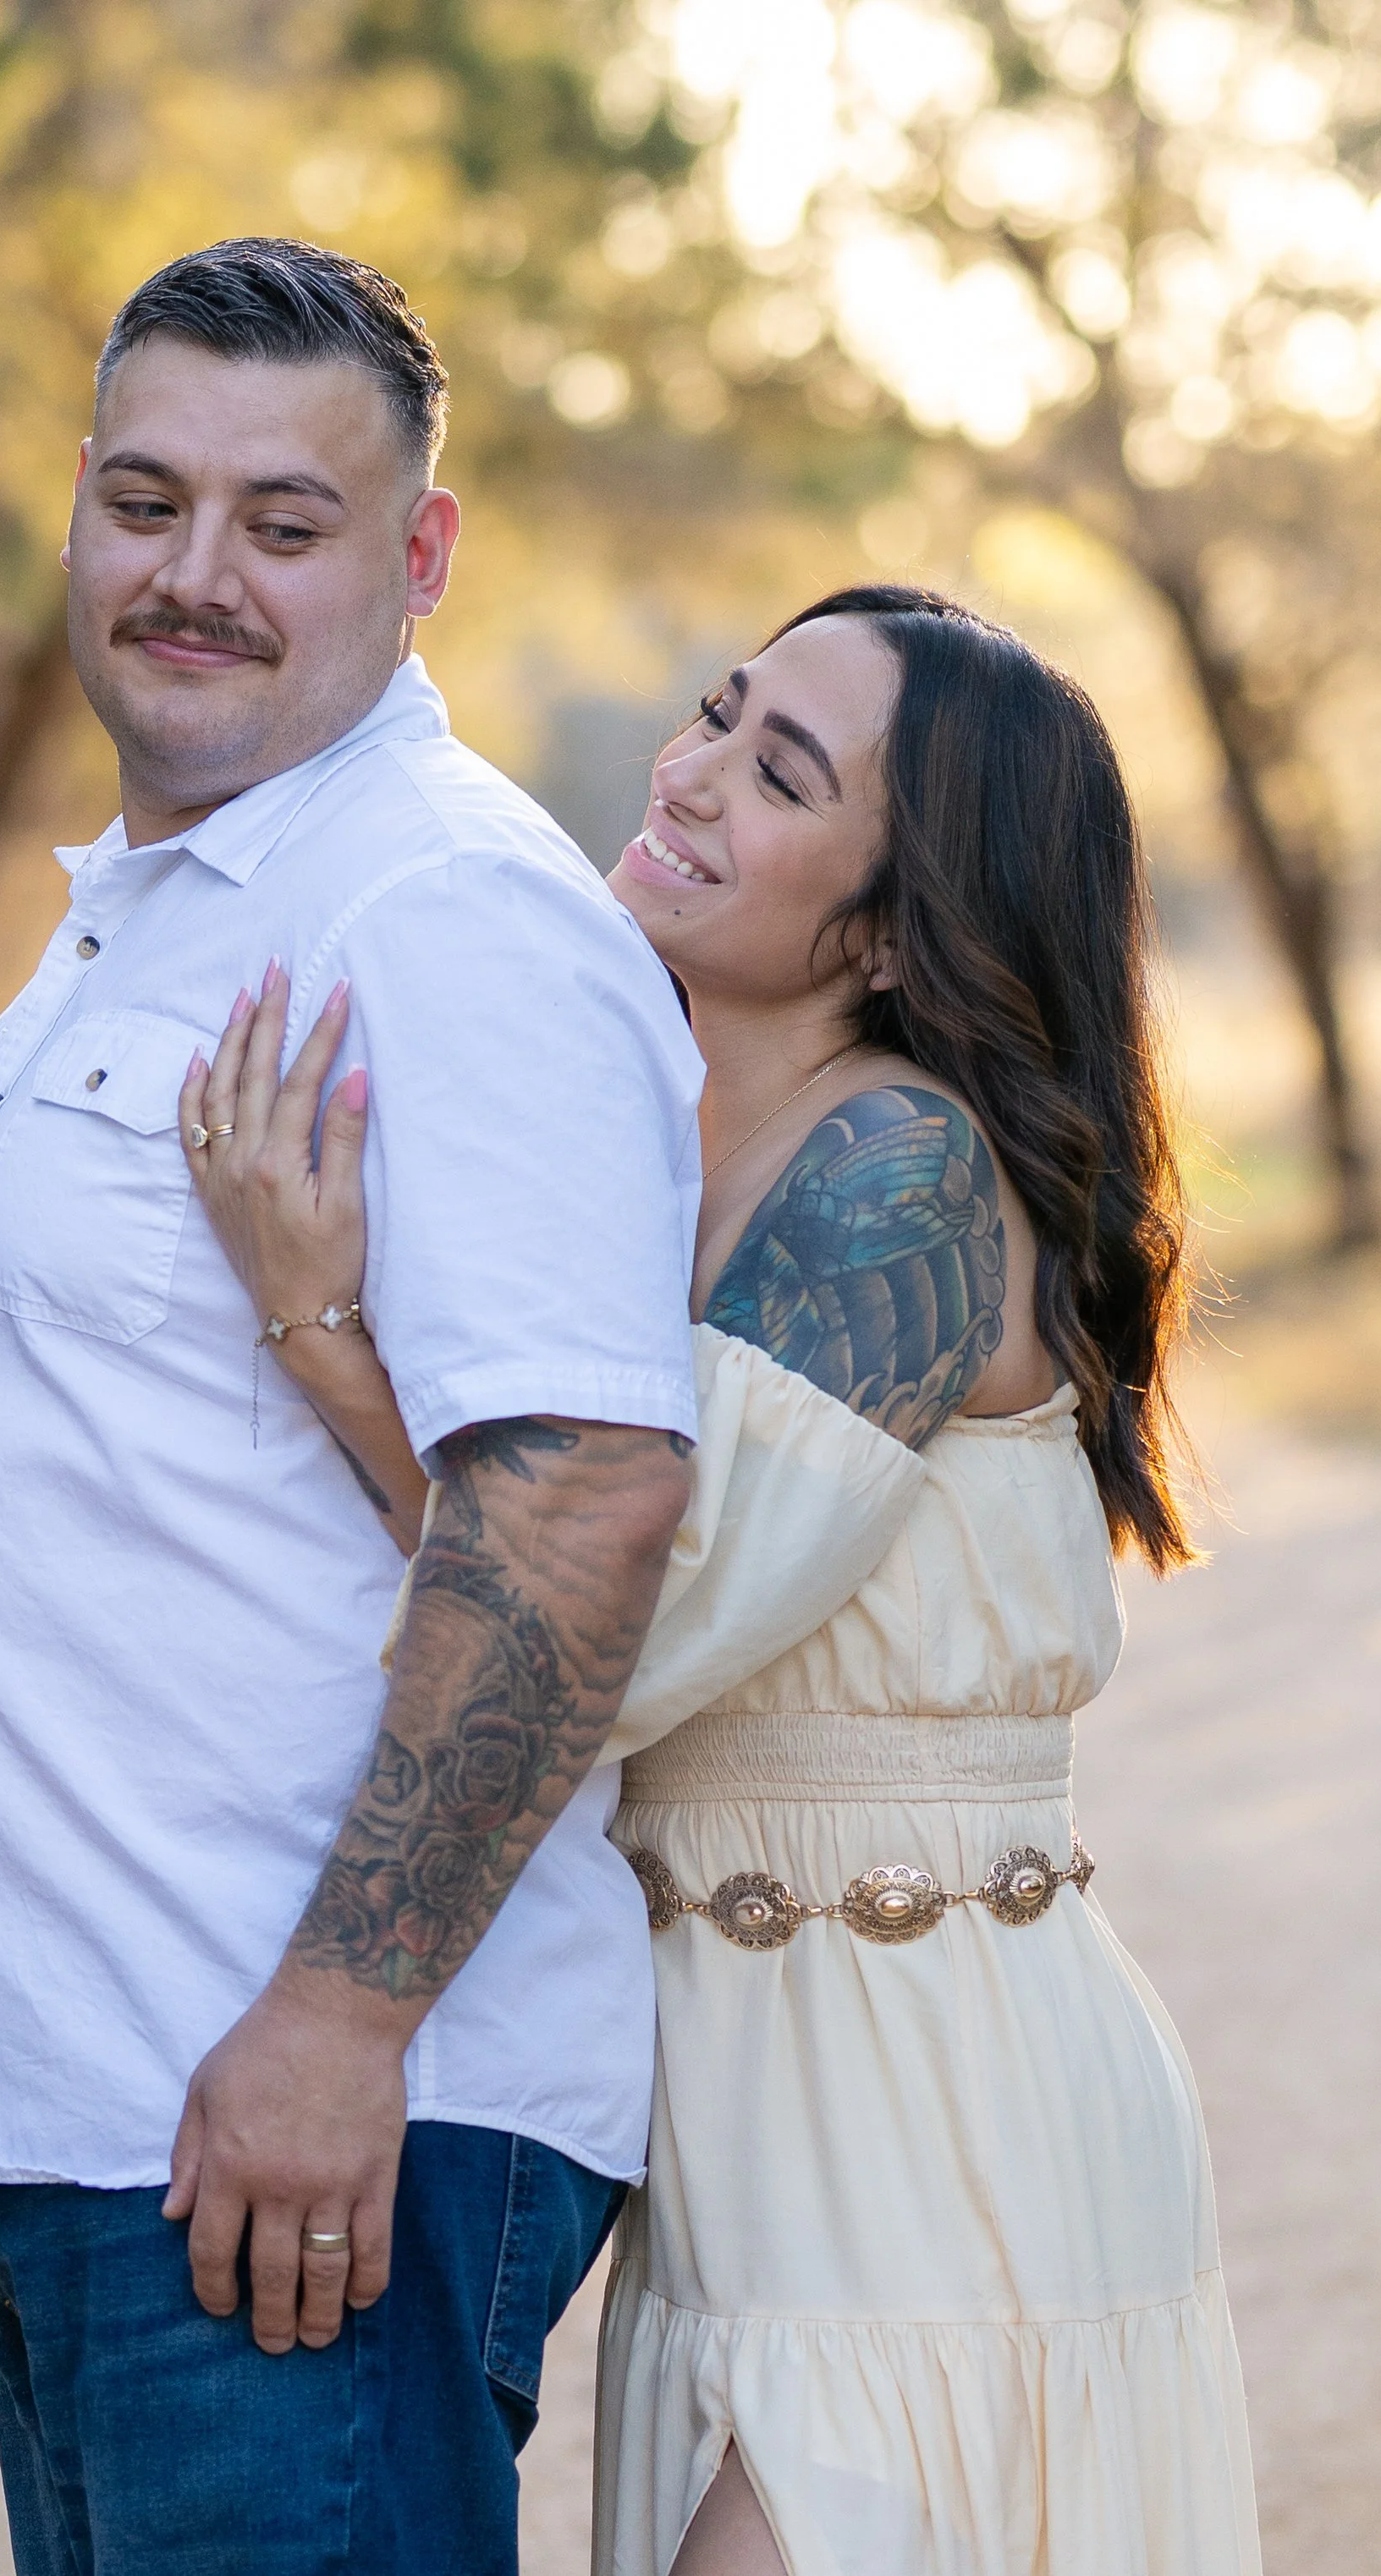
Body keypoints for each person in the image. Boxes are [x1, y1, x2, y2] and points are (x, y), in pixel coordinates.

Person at [0, 235, 754, 2575]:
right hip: (109, 2105)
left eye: (281, 522)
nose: (192, 574)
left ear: (414, 558)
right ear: (76, 517)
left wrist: (339, 2016)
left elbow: (582, 1501)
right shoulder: (171, 896)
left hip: (308, 2125)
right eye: (145, 501)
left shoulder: (442, 913)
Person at [184, 587, 1263, 2574]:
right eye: (716, 713)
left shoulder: (896, 1173)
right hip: (743, 2121)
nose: (683, 775)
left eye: (777, 775)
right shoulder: (658, 1150)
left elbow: (618, 1620)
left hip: (939, 2111)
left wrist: (317, 1320)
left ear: (890, 918)